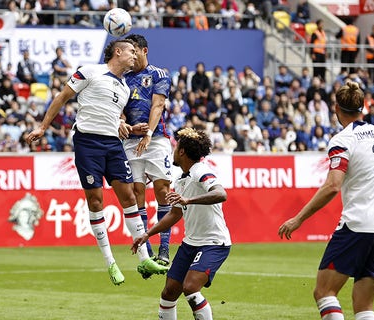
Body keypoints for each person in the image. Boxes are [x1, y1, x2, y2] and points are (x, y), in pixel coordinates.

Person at [25, 39, 169, 285]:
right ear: (118, 52)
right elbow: (62, 98)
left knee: (130, 197)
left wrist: (129, 127)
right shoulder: (90, 71)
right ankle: (110, 262)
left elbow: (113, 117)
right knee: (95, 201)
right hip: (88, 143)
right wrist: (43, 127)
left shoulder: (124, 87)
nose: (135, 56)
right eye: (131, 52)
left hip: (113, 144)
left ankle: (144, 258)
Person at [278, 81, 374, 320]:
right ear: (363, 107)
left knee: (325, 292)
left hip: (358, 225)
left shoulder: (343, 139)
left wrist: (298, 219)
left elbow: (332, 185)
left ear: (336, 109)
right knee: (364, 305)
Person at [132, 127, 231, 320]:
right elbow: (175, 214)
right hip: (190, 244)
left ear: (182, 151)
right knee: (169, 292)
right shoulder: (180, 179)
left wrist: (188, 200)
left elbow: (221, 194)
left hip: (214, 243)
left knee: (191, 288)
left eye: (176, 147)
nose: (173, 151)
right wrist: (148, 234)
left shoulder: (200, 171)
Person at [121, 34, 173, 267]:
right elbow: (119, 110)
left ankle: (164, 248)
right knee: (137, 192)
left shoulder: (158, 74)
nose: (131, 57)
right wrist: (129, 126)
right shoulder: (121, 79)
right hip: (131, 141)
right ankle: (147, 248)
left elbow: (158, 104)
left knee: (162, 190)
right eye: (128, 52)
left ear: (144, 51)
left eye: (134, 52)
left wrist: (149, 133)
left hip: (157, 139)